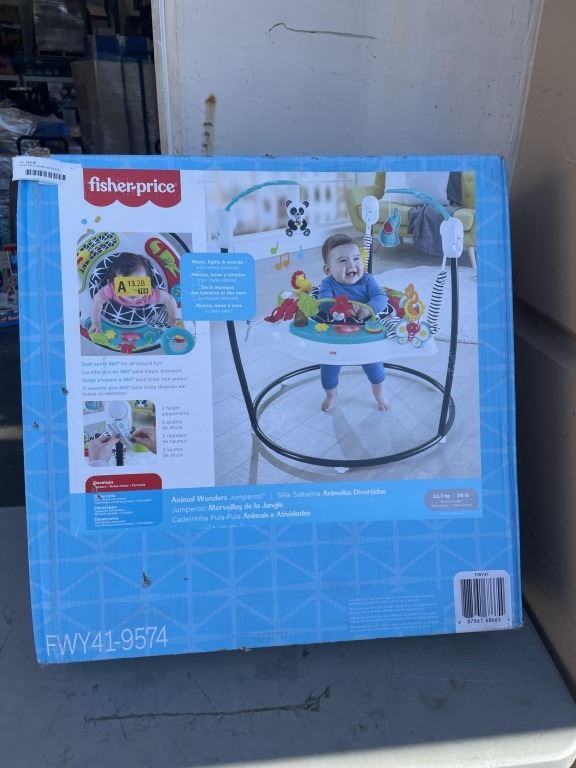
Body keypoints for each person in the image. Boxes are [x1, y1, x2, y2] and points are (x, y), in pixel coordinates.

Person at [318, 234, 390, 412]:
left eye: (356, 258)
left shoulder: (367, 280)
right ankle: (330, 394)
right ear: (328, 270)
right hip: (336, 336)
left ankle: (380, 396)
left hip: (365, 334)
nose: (351, 265)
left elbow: (381, 297)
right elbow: (324, 302)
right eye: (343, 260)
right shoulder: (328, 284)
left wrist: (368, 308)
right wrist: (339, 308)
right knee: (328, 370)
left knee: (375, 368)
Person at [90, 252, 178, 333]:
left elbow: (169, 299)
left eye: (138, 284)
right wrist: (96, 322)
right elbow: (97, 301)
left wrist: (172, 318)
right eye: (126, 285)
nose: (133, 292)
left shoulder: (150, 294)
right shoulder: (112, 289)